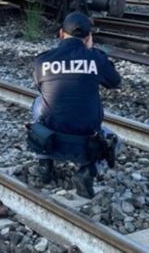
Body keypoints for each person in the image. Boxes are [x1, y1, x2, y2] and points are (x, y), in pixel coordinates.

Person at [30, 11, 122, 198]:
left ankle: (44, 163)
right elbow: (115, 82)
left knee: (39, 102)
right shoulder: (95, 58)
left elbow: (40, 86)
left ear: (61, 33)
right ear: (88, 37)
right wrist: (92, 51)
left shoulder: (43, 60)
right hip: (86, 137)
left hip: (52, 135)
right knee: (117, 141)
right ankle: (88, 171)